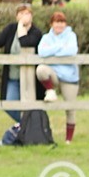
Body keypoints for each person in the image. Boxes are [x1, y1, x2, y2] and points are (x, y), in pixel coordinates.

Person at [0, 4, 45, 123]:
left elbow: (26, 43)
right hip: (13, 77)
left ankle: (29, 129)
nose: (24, 16)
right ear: (16, 16)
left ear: (32, 16)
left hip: (31, 80)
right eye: (21, 13)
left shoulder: (36, 32)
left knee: (31, 107)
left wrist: (21, 27)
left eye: (27, 13)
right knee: (8, 104)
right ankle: (27, 126)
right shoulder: (10, 29)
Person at [36, 11, 80, 143]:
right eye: (57, 22)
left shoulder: (71, 36)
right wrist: (60, 47)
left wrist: (53, 52)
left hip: (69, 76)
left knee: (70, 108)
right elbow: (42, 52)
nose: (59, 25)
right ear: (52, 24)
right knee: (41, 69)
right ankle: (50, 91)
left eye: (62, 22)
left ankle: (68, 140)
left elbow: (71, 51)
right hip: (53, 72)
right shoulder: (46, 38)